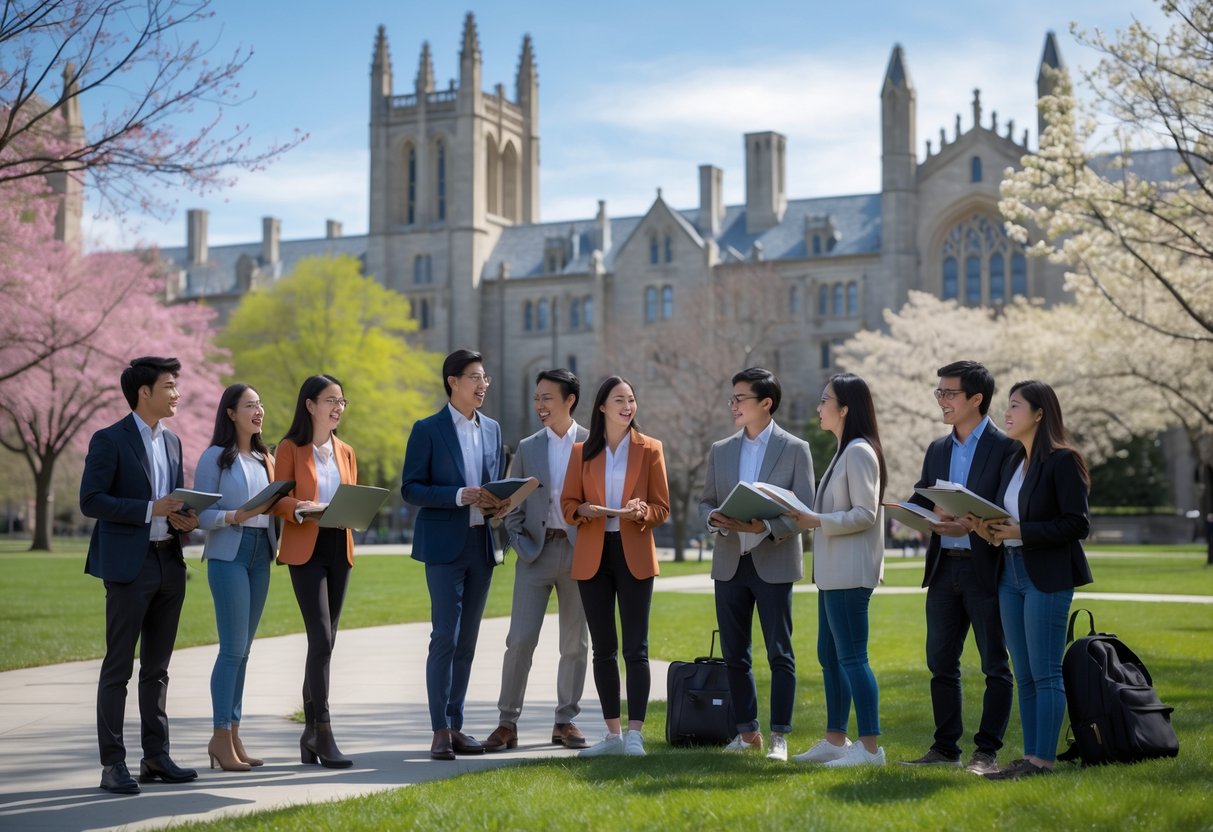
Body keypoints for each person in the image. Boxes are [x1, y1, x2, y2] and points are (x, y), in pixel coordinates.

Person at [80, 356, 199, 795]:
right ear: (143, 392)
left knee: (158, 669)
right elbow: (91, 500)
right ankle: (113, 764)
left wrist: (183, 518)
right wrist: (152, 509)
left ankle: (155, 756)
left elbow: (174, 502)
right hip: (129, 567)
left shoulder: (173, 441)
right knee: (118, 668)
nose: (177, 394)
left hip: (170, 560)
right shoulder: (109, 439)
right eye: (169, 386)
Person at [899, 360, 1016, 775]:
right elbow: (923, 499)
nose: (942, 401)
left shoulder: (1007, 448)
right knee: (941, 663)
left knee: (995, 666)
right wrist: (906, 511)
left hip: (988, 568)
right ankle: (945, 748)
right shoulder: (938, 448)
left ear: (976, 399)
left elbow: (1007, 511)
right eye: (940, 393)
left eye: (949, 393)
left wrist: (970, 522)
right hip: (944, 568)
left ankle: (986, 752)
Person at [974, 380, 1093, 780]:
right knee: (1023, 671)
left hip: (1047, 575)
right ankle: (1030, 758)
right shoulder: (1013, 462)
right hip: (1009, 572)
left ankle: (1044, 761)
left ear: (1040, 414)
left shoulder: (1064, 460)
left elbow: (1076, 524)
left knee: (1045, 671)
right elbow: (1011, 520)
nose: (1006, 414)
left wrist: (1021, 532)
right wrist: (988, 528)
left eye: (1015, 406)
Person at [698, 368, 816, 763]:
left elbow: (805, 510)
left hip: (774, 560)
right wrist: (714, 517)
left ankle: (779, 735)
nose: (733, 405)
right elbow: (705, 500)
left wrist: (763, 525)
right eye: (732, 398)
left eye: (740, 399)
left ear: (765, 403)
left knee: (779, 652)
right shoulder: (720, 449)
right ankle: (748, 732)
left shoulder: (796, 448)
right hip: (730, 561)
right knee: (735, 653)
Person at [401, 349, 508, 761]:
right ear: (453, 382)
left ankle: (457, 724)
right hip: (444, 548)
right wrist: (458, 495)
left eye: (486, 378)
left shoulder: (494, 429)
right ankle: (440, 729)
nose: (483, 385)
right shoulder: (427, 429)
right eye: (476, 378)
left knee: (468, 640)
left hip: (482, 546)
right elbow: (411, 488)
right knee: (444, 636)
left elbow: (494, 482)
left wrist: (501, 501)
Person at [561, 376, 670, 757]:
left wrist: (644, 512)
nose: (628, 406)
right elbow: (567, 503)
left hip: (633, 551)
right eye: (620, 400)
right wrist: (581, 510)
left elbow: (662, 508)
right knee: (603, 648)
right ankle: (612, 735)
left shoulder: (651, 449)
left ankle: (635, 733)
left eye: (632, 399)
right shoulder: (581, 452)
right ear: (603, 407)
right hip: (594, 553)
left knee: (636, 648)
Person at [483, 369, 591, 752]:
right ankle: (506, 723)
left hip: (580, 556)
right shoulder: (528, 447)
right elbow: (509, 501)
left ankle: (566, 722)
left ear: (569, 400)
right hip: (534, 552)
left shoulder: (591, 445)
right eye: (536, 398)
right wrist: (516, 537)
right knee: (520, 640)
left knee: (575, 644)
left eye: (547, 397)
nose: (539, 405)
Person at [787, 372, 888, 767]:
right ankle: (835, 739)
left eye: (825, 399)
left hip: (850, 573)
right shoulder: (845, 450)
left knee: (852, 658)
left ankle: (870, 749)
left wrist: (816, 520)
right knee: (829, 655)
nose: (818, 406)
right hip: (832, 574)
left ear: (844, 409)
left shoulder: (860, 451)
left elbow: (865, 513)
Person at [272, 374, 359, 769]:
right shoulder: (290, 448)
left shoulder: (346, 451)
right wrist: (301, 507)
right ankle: (322, 731)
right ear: (310, 405)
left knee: (326, 643)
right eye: (331, 400)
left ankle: (311, 735)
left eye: (342, 401)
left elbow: (351, 497)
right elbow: (278, 499)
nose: (338, 407)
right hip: (305, 547)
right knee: (321, 638)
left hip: (339, 547)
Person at [193, 384, 279, 771]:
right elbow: (199, 515)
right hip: (229, 552)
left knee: (245, 650)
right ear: (231, 413)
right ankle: (219, 735)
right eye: (250, 405)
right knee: (231, 649)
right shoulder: (215, 458)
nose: (258, 411)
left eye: (261, 404)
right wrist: (233, 516)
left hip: (263, 552)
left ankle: (234, 734)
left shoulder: (266, 457)